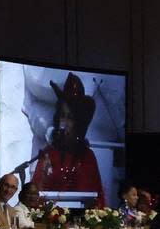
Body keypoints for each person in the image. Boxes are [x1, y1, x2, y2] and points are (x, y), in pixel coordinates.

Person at [31, 72, 105, 207]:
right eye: (62, 116)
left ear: (79, 123)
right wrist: (44, 176)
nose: (64, 122)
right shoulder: (48, 154)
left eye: (70, 117)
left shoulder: (87, 156)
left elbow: (97, 198)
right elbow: (35, 194)